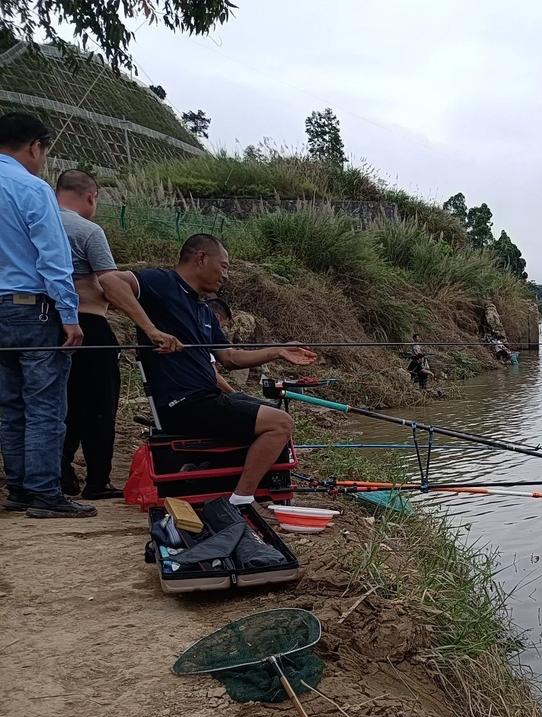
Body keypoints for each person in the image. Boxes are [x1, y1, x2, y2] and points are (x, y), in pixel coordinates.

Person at [99, 234, 317, 506]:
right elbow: (110, 281)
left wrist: (278, 350)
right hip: (183, 404)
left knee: (266, 409)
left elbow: (231, 358)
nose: (226, 275)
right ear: (201, 258)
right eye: (223, 266)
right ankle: (241, 499)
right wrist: (152, 331)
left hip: (206, 400)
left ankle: (242, 486)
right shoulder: (162, 282)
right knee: (280, 423)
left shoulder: (203, 311)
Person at [55, 169, 179, 498]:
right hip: (89, 325)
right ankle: (97, 480)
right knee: (99, 404)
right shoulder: (87, 230)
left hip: (43, 325)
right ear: (91, 197)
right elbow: (111, 283)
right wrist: (149, 328)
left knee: (59, 403)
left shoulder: (35, 225)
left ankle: (57, 472)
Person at [0, 112, 95, 518]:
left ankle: (20, 488)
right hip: (33, 309)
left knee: (10, 406)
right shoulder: (32, 188)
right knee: (44, 405)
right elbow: (54, 259)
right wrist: (69, 315)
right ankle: (44, 492)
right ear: (35, 146)